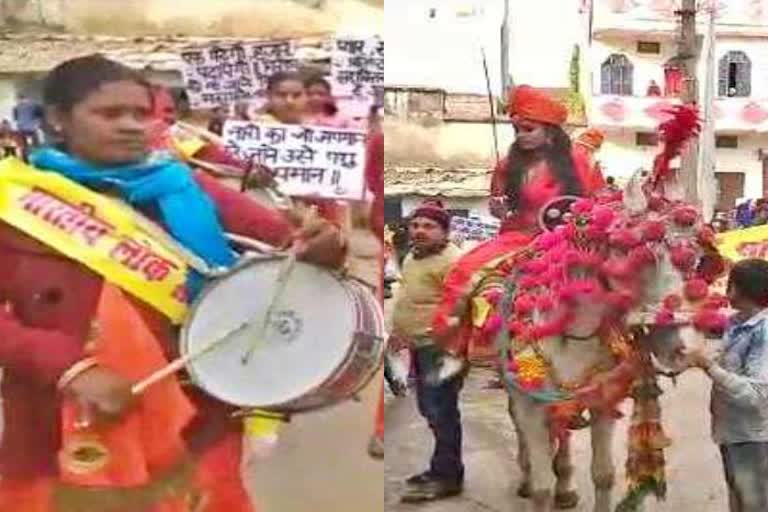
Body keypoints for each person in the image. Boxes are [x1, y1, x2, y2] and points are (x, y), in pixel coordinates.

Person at [0, 54, 344, 511]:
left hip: (195, 414)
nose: (131, 126)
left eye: (142, 114)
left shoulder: (187, 187)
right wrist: (69, 369)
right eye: (110, 114)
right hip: (62, 419)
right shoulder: (17, 200)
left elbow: (291, 243)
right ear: (58, 120)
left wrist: (325, 244)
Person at [434, 85, 596, 373]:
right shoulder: (508, 166)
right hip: (518, 238)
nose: (521, 136)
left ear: (550, 132)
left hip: (570, 242)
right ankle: (460, 347)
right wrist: (500, 210)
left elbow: (597, 204)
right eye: (517, 130)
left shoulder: (579, 162)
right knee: (461, 273)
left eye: (529, 129)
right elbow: (503, 207)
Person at [391, 200, 464, 503]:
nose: (419, 230)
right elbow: (411, 299)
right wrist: (400, 333)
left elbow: (461, 308)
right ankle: (444, 468)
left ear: (445, 232)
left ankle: (447, 475)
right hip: (419, 346)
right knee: (429, 409)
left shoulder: (454, 262)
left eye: (429, 226)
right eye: (416, 225)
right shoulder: (412, 256)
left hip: (441, 348)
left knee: (441, 411)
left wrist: (452, 348)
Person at [683, 259, 768, 512]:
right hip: (731, 430)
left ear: (741, 290)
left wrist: (710, 368)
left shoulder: (762, 333)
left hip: (753, 434)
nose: (726, 292)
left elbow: (758, 394)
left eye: (731, 285)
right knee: (739, 497)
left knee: (753, 501)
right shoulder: (736, 323)